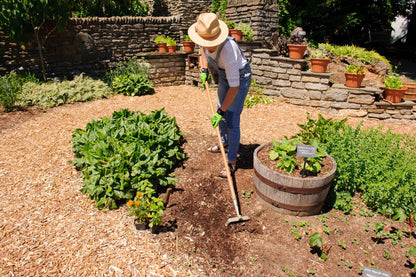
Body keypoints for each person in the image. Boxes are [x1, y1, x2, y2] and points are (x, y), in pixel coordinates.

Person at [188, 13, 252, 178]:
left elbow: (235, 87)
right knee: (219, 109)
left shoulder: (228, 52)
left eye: (212, 42)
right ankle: (224, 142)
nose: (209, 45)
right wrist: (203, 69)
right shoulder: (205, 38)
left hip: (240, 77)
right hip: (224, 75)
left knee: (230, 118)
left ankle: (231, 162)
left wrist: (222, 112)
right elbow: (203, 48)